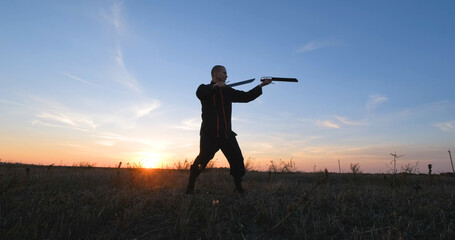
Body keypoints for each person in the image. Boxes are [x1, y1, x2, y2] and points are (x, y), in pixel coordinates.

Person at [185, 65, 272, 194]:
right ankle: (190, 187)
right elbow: (200, 93)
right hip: (210, 134)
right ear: (215, 73)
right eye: (224, 72)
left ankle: (238, 187)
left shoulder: (228, 91)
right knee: (202, 160)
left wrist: (261, 86)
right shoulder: (204, 89)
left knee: (237, 160)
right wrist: (214, 87)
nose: (227, 75)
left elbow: (246, 97)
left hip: (226, 134)